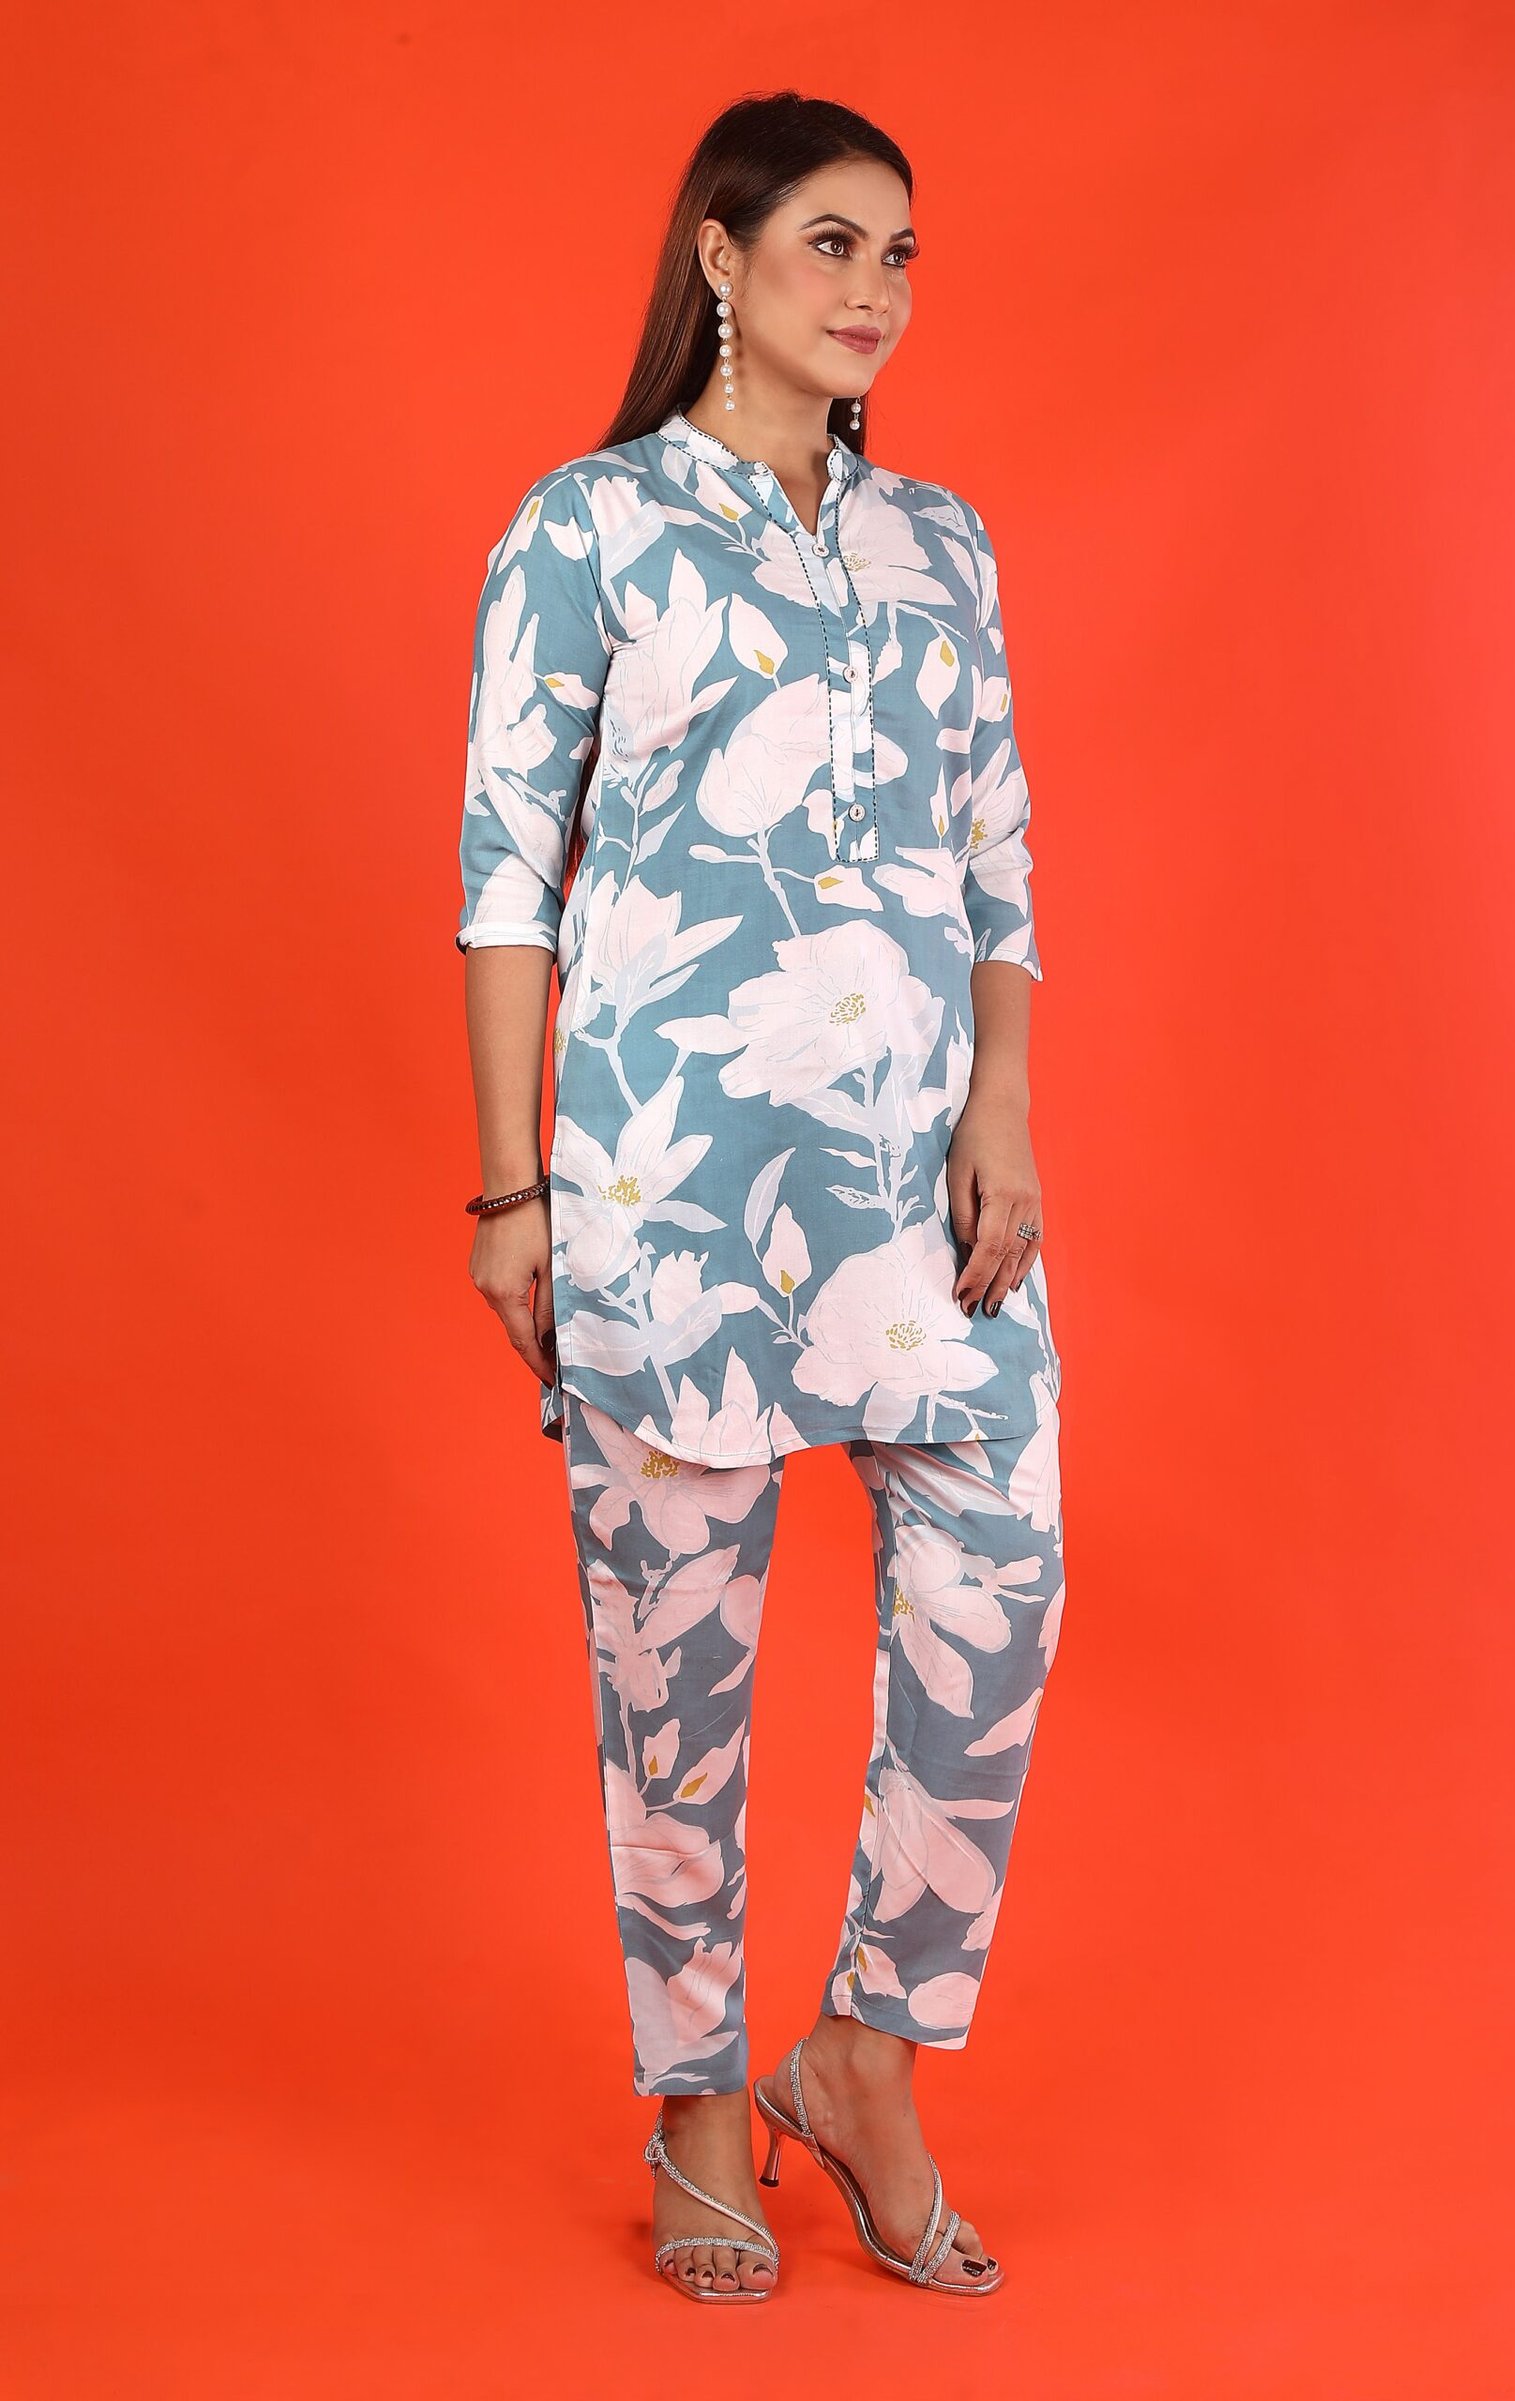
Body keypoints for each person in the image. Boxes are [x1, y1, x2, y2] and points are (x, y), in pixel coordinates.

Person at [455, 91, 1068, 2303]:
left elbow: (996, 858)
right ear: (719, 256)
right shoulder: (588, 527)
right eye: (830, 242)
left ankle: (866, 2054)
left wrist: (1005, 1107)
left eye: (900, 255)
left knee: (1001, 1575)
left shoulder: (942, 545)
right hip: (667, 1182)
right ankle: (699, 2092)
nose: (873, 290)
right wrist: (510, 1191)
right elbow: (505, 876)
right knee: (673, 1665)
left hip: (918, 1181)